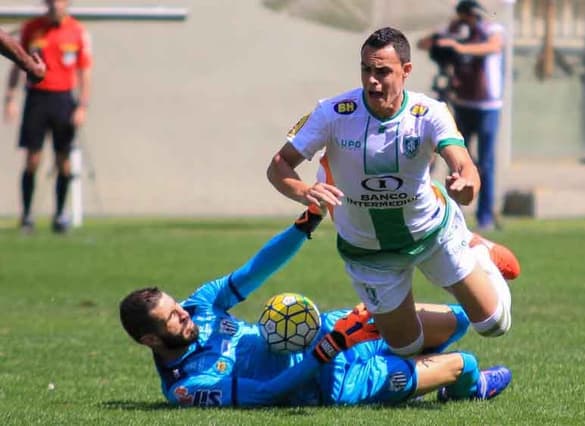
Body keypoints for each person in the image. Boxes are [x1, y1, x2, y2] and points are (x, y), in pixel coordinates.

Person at [267, 27, 513, 360]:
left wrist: (466, 185)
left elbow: (465, 167)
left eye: (382, 71)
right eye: (366, 70)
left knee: (495, 324)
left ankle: (478, 251)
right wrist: (303, 190)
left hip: (432, 234)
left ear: (406, 71)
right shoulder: (332, 113)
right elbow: (279, 165)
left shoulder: (430, 113)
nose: (372, 80)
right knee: (405, 347)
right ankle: (458, 369)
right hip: (367, 250)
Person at [119, 209, 514, 407]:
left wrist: (307, 221)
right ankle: (466, 389)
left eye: (176, 306)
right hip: (335, 382)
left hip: (333, 327)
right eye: (171, 317)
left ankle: (469, 249)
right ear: (151, 338)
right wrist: (330, 349)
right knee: (464, 363)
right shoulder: (186, 386)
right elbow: (269, 394)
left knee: (462, 319)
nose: (182, 313)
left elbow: (257, 269)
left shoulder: (201, 305)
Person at [4, 0, 92, 233]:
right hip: (37, 98)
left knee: (63, 161)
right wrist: (10, 97)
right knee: (33, 159)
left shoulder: (76, 31)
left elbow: (85, 71)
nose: (56, 5)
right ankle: (27, 216)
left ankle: (60, 214)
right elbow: (14, 60)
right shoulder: (32, 28)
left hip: (63, 99)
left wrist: (82, 105)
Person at [417, 0, 505, 231]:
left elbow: (494, 47)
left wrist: (459, 47)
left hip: (487, 105)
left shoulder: (490, 31)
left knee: (485, 162)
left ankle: (485, 216)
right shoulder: (456, 31)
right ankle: (452, 213)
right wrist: (444, 39)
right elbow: (423, 44)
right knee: (455, 159)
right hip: (462, 103)